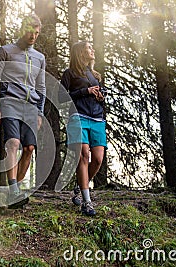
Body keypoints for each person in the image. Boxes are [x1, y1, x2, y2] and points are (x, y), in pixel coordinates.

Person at [0, 14, 46, 208]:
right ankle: (13, 190)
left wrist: (40, 113)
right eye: (30, 31)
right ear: (23, 29)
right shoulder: (5, 51)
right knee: (13, 143)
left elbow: (42, 88)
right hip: (9, 103)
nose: (33, 36)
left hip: (31, 107)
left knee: (29, 149)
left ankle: (16, 194)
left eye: (36, 33)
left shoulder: (40, 58)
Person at [60, 41, 107, 216]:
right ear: (80, 52)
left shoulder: (95, 75)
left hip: (97, 119)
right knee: (83, 156)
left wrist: (101, 96)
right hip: (78, 117)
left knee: (97, 159)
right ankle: (87, 202)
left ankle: (80, 185)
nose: (92, 50)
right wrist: (84, 92)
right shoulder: (69, 74)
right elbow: (60, 97)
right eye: (88, 47)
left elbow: (99, 96)